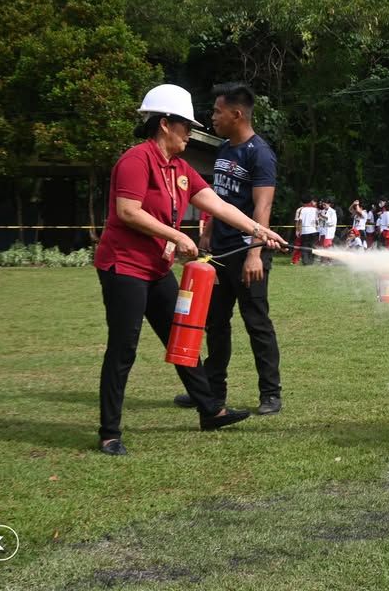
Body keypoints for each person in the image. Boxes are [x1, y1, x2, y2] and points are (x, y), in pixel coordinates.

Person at [94, 83, 286, 456]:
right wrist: (177, 236)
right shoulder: (136, 160)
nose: (191, 134)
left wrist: (260, 233)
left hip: (156, 269)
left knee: (182, 339)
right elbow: (128, 212)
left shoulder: (180, 169)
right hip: (124, 267)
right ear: (165, 124)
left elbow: (219, 206)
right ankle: (109, 432)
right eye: (186, 126)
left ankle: (211, 410)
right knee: (123, 348)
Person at [178, 82, 285, 416]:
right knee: (215, 322)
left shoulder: (260, 153)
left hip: (248, 252)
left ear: (237, 114)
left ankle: (270, 393)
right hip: (220, 253)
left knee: (256, 322)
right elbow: (219, 197)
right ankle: (213, 390)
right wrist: (208, 232)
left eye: (217, 111)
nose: (213, 117)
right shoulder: (224, 148)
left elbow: (262, 207)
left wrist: (255, 253)